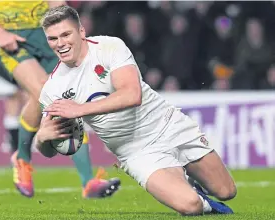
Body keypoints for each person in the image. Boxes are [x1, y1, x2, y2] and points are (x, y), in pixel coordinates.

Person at [36, 5, 237, 215]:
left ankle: (187, 182)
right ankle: (197, 196)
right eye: (52, 38)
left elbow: (132, 95)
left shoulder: (109, 47)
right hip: (135, 152)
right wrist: (42, 139)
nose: (60, 44)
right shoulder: (53, 88)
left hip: (167, 124)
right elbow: (53, 148)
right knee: (191, 206)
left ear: (81, 31)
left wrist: (80, 109)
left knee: (226, 190)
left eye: (66, 34)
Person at [0, 1, 120, 199]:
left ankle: (88, 182)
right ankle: (22, 158)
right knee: (43, 90)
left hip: (46, 36)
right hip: (11, 38)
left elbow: (57, 4)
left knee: (66, 97)